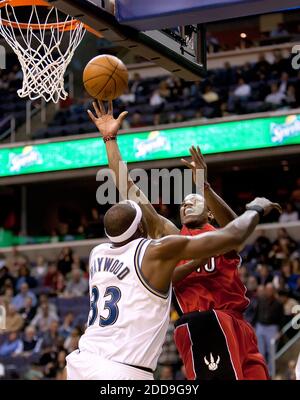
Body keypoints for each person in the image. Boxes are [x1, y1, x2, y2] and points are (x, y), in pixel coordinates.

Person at [85, 101, 281, 380]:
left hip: (239, 324)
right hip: (204, 322)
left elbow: (235, 227)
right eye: (183, 203)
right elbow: (129, 188)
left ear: (209, 209)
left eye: (194, 200)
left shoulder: (218, 234)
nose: (186, 205)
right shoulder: (173, 237)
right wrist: (110, 140)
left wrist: (205, 186)